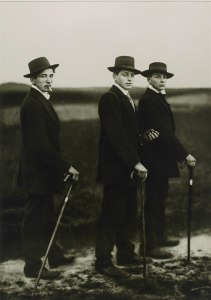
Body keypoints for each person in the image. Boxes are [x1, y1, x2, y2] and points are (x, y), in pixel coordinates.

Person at [95, 56, 158, 278]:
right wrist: (135, 162)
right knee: (111, 215)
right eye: (125, 74)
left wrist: (144, 135)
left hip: (128, 169)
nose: (130, 78)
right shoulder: (109, 98)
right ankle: (103, 261)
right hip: (116, 169)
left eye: (132, 75)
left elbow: (130, 132)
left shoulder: (128, 98)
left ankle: (125, 254)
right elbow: (116, 136)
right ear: (115, 76)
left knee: (128, 212)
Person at [18, 57, 79, 279]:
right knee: (35, 220)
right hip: (37, 173)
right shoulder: (33, 103)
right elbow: (39, 144)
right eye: (43, 76)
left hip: (44, 172)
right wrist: (66, 167)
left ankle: (54, 255)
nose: (48, 80)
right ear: (33, 79)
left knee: (47, 216)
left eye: (51, 75)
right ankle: (33, 267)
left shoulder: (40, 99)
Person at [138, 62, 196, 259]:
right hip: (154, 160)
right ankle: (149, 245)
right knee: (153, 202)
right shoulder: (149, 100)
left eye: (164, 77)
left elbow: (166, 131)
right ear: (149, 79)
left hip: (161, 159)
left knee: (160, 200)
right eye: (157, 76)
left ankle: (160, 237)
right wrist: (184, 154)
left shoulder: (157, 98)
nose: (162, 80)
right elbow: (163, 132)